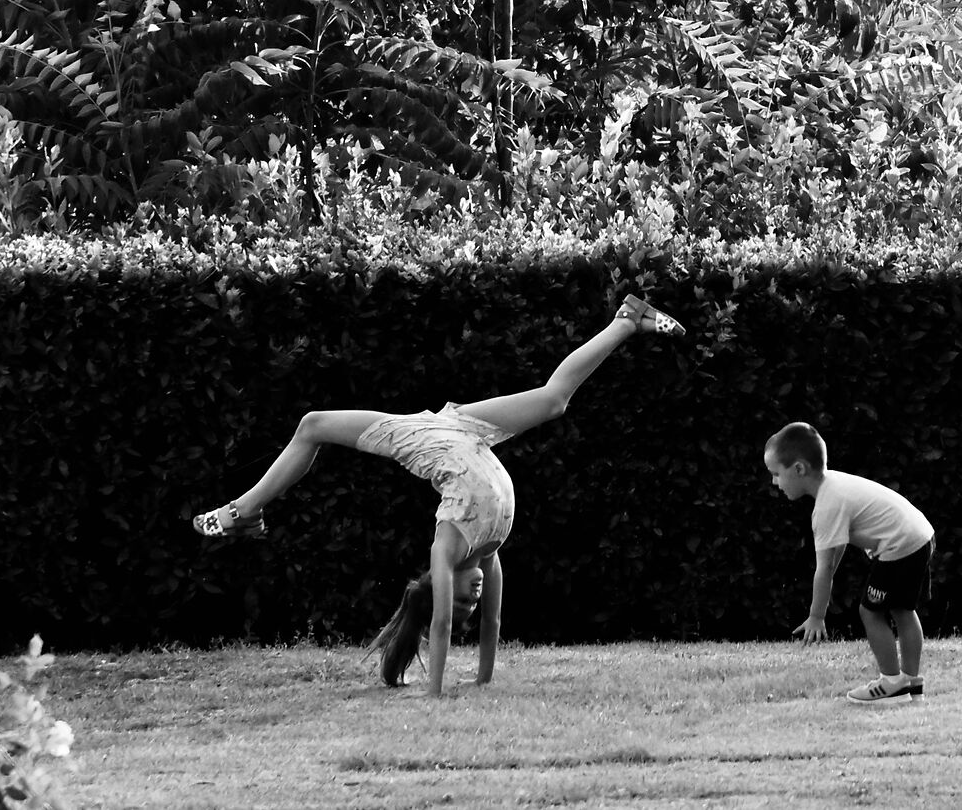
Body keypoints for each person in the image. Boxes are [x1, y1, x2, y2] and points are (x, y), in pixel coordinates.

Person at [191, 292, 685, 695]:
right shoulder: (489, 549)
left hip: (422, 438)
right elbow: (491, 624)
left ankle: (243, 510)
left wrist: (434, 692)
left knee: (312, 425)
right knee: (554, 401)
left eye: (461, 599)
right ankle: (626, 320)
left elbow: (445, 624)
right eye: (475, 600)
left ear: (438, 582)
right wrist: (484, 677)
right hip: (462, 428)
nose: (472, 599)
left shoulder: (447, 548)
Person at [764, 421, 936, 703]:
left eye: (776, 474)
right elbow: (837, 549)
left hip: (900, 544)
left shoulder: (827, 506)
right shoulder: (835, 485)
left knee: (870, 612)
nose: (774, 483)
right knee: (902, 609)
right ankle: (911, 682)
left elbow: (825, 568)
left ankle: (891, 683)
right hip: (919, 534)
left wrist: (816, 616)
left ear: (798, 469)